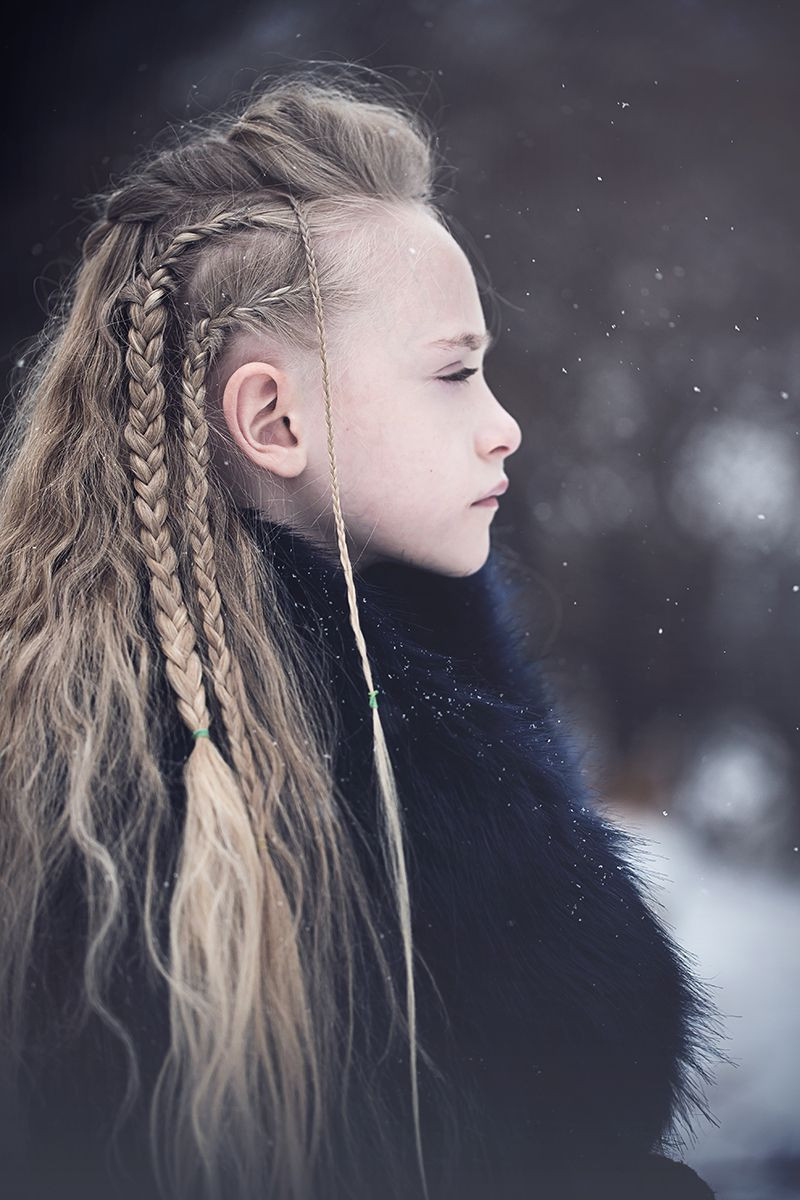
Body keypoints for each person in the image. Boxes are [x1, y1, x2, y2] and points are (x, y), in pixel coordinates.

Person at [0, 65, 727, 1200]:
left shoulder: (346, 710)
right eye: (454, 372)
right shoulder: (151, 831)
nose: (503, 426)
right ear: (272, 419)